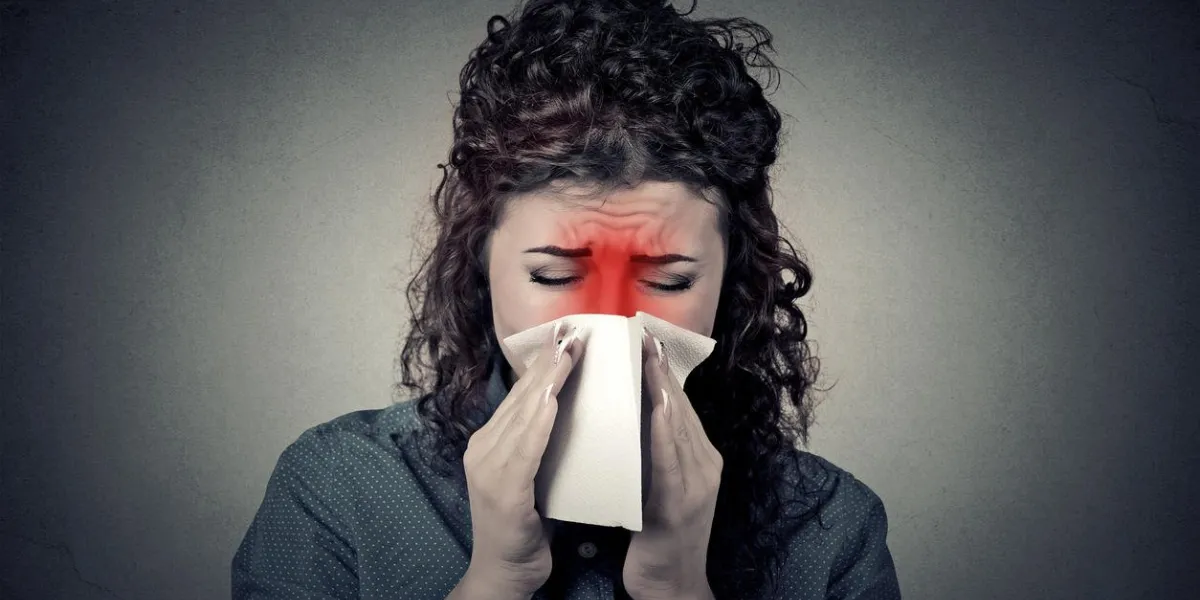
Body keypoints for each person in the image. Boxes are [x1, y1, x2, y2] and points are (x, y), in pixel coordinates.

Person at [231, 0, 902, 598]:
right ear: (481, 262)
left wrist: (676, 588)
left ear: (730, 282)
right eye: (552, 276)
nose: (608, 321)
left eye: (669, 280)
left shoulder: (829, 527)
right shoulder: (341, 486)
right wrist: (496, 582)